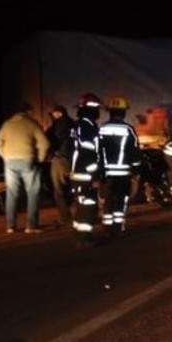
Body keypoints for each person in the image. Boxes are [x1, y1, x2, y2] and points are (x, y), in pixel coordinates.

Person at [0, 102, 51, 234]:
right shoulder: (32, 123)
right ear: (28, 111)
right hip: (28, 160)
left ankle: (11, 226)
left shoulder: (7, 124)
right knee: (33, 192)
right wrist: (40, 158)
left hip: (9, 162)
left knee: (11, 193)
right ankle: (31, 225)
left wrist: (6, 156)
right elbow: (45, 143)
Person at [97, 95, 142, 237]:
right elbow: (134, 151)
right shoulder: (128, 129)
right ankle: (119, 228)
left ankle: (107, 228)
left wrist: (99, 170)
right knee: (121, 199)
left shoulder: (101, 129)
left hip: (106, 173)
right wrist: (136, 169)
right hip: (123, 173)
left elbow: (97, 151)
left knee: (108, 200)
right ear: (124, 112)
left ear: (109, 112)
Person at [70, 93, 103, 248]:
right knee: (88, 206)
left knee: (82, 206)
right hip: (85, 175)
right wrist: (94, 176)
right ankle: (84, 239)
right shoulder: (87, 127)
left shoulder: (80, 125)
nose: (98, 111)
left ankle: (79, 235)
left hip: (79, 173)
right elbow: (88, 153)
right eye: (96, 108)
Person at [45, 105, 75, 228]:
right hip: (74, 160)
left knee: (59, 191)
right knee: (73, 189)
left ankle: (65, 217)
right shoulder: (73, 124)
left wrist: (48, 154)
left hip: (60, 159)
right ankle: (79, 215)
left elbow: (50, 142)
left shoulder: (56, 126)